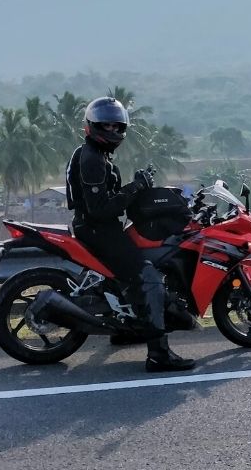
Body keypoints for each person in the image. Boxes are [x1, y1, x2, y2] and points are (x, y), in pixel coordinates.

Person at [66, 96, 194, 372]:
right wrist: (135, 187)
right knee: (149, 277)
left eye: (116, 126)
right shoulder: (91, 159)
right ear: (92, 126)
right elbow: (100, 208)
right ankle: (159, 354)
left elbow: (109, 198)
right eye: (106, 125)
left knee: (125, 277)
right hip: (98, 229)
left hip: (99, 227)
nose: (112, 131)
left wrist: (135, 186)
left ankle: (125, 329)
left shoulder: (96, 155)